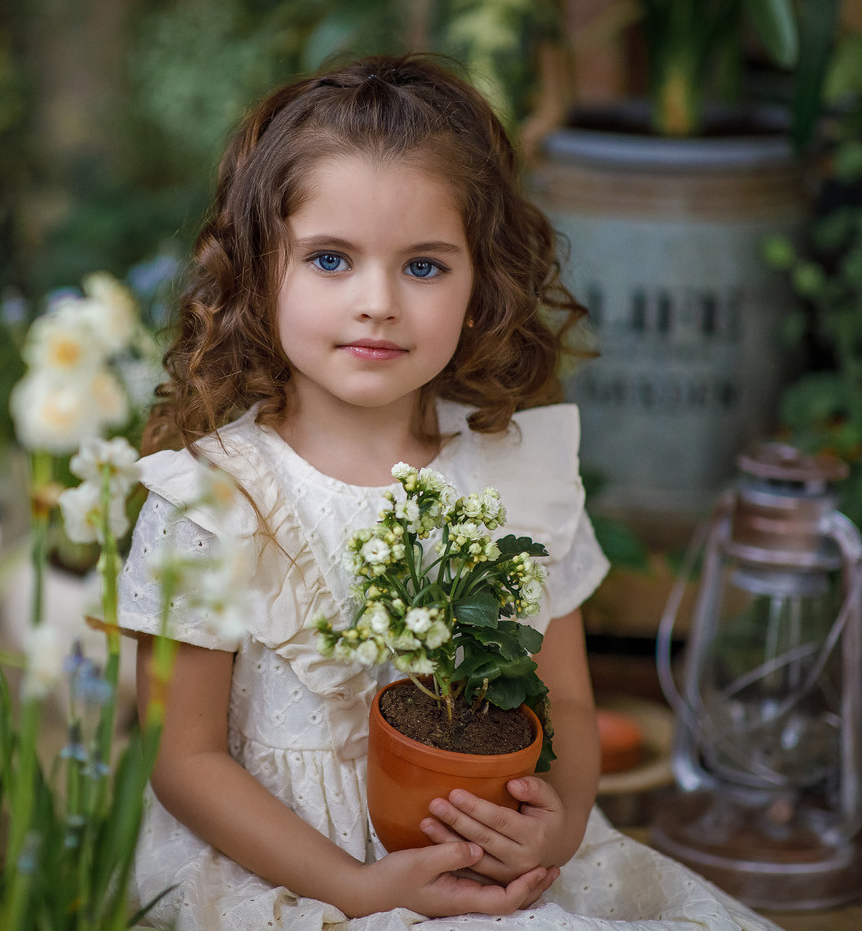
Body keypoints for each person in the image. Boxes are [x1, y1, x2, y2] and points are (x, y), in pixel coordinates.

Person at [117, 54, 778, 931]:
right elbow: (185, 758)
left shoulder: (515, 476)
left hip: (490, 865)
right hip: (282, 877)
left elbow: (568, 702)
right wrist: (354, 892)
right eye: (329, 260)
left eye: (424, 267)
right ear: (257, 272)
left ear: (480, 287)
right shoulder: (211, 500)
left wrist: (561, 824)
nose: (378, 302)